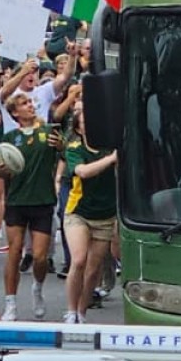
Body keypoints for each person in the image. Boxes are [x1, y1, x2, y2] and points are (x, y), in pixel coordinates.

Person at [0, 91, 57, 321]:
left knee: (40, 257)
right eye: (24, 103)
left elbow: (63, 154)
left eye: (30, 102)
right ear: (15, 113)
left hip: (42, 200)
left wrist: (60, 147)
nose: (30, 105)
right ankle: (10, 304)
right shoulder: (9, 139)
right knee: (14, 252)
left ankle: (37, 288)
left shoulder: (48, 133)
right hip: (17, 201)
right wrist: (2, 170)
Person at [62, 109, 119, 324]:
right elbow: (83, 172)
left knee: (94, 270)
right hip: (79, 211)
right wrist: (111, 160)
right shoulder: (75, 149)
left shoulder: (110, 147)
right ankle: (70, 310)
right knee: (78, 260)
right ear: (78, 129)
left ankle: (81, 311)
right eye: (84, 122)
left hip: (105, 215)